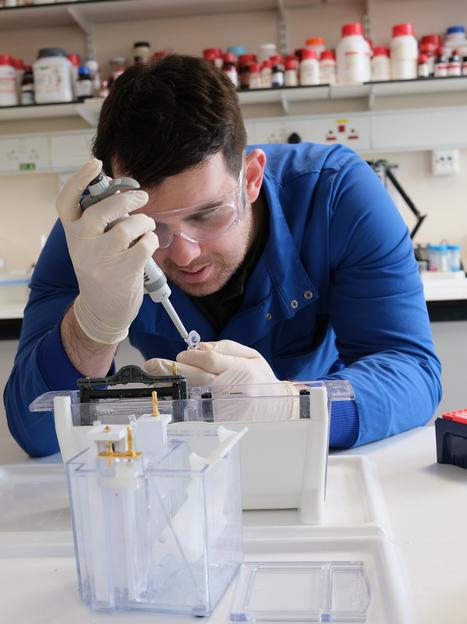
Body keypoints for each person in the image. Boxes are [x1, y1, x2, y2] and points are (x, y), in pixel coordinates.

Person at [4, 55, 441, 458]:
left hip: (316, 454)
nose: (185, 253)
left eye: (209, 215)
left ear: (250, 178)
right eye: (154, 227)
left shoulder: (336, 194)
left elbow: (412, 373)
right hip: (178, 467)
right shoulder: (94, 234)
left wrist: (292, 405)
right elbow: (37, 431)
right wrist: (92, 326)